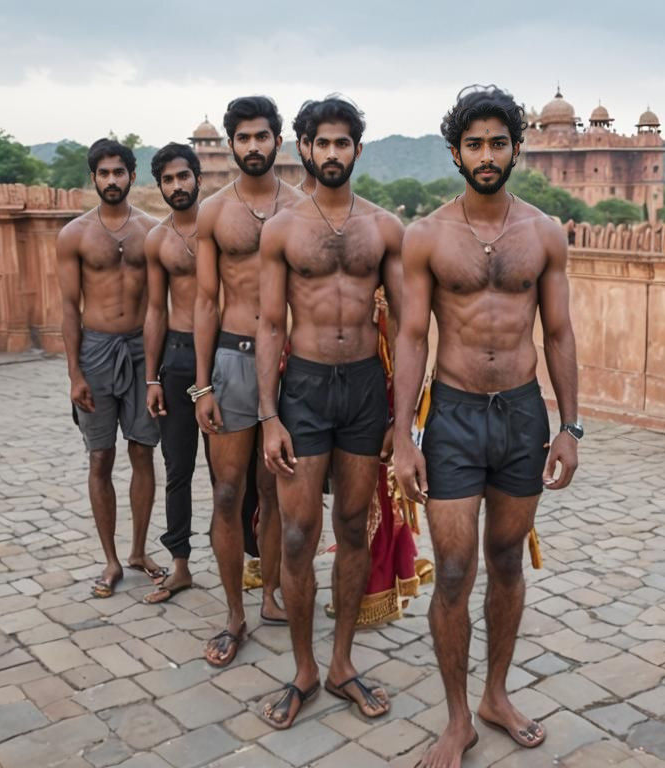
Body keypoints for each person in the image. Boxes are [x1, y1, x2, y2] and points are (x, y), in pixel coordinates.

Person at [393, 85, 580, 768]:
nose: (487, 154)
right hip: (455, 415)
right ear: (455, 153)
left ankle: (496, 694)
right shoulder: (428, 237)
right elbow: (413, 336)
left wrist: (571, 426)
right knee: (451, 569)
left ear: (516, 149)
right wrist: (401, 438)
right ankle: (455, 717)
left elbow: (559, 333)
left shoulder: (543, 232)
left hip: (523, 413)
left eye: (499, 142)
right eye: (474, 144)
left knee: (505, 559)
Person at [255, 95, 405, 729]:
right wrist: (268, 414)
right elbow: (268, 323)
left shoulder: (384, 229)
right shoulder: (284, 229)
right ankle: (303, 669)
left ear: (357, 151)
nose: (334, 153)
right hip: (307, 389)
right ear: (304, 150)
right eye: (323, 143)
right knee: (296, 533)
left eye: (344, 143)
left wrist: (403, 417)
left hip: (367, 389)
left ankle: (341, 662)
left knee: (350, 526)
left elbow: (405, 324)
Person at [193, 95, 302, 667]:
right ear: (231, 144)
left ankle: (276, 593)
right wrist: (200, 386)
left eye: (263, 136)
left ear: (277, 142)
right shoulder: (215, 212)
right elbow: (206, 300)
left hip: (291, 362)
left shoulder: (304, 208)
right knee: (230, 492)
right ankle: (234, 612)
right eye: (243, 138)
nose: (253, 146)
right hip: (234, 359)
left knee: (280, 489)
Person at [56, 138, 165, 599]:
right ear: (93, 178)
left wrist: (158, 369)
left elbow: (162, 303)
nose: (111, 181)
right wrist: (74, 375)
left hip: (142, 349)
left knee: (142, 451)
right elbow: (67, 306)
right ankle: (111, 560)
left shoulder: (152, 231)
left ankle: (139, 550)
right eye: (103, 174)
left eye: (119, 172)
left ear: (132, 176)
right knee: (100, 456)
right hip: (96, 352)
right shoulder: (75, 235)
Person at [142, 142, 207, 605]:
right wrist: (152, 378)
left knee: (235, 473)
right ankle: (180, 563)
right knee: (177, 468)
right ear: (159, 186)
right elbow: (154, 312)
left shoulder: (220, 226)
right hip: (178, 356)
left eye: (183, 176)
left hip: (224, 355)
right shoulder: (159, 240)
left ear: (198, 177)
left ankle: (251, 560)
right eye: (168, 179)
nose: (177, 186)